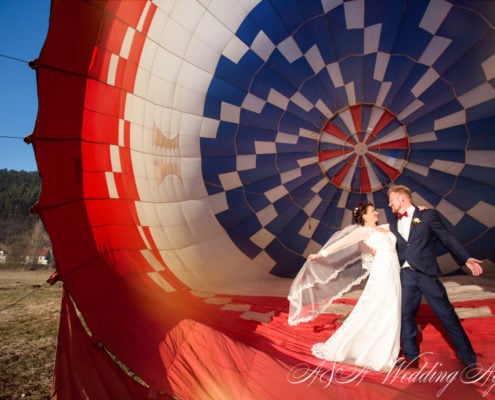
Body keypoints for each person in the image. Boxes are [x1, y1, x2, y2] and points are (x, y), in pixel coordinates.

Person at [287, 202, 402, 372]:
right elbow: (341, 243)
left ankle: (385, 347)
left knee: (392, 306)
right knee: (382, 305)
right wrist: (321, 254)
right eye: (372, 211)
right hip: (382, 270)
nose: (376, 212)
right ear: (364, 216)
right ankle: (374, 352)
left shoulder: (385, 228)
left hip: (394, 269)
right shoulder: (363, 231)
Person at [387, 185, 483, 369]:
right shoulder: (392, 223)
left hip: (426, 273)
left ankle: (469, 360)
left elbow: (447, 238)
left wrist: (465, 258)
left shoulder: (428, 215)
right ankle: (411, 358)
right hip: (406, 275)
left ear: (402, 198)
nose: (389, 203)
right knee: (405, 315)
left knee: (446, 315)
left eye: (391, 199)